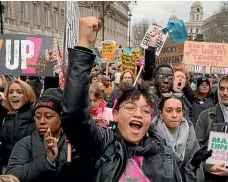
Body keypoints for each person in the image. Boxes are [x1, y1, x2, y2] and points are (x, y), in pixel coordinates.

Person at [60, 16, 210, 182]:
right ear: (115, 114)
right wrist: (84, 45)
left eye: (146, 110)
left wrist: (192, 166)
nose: (138, 114)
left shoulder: (163, 152)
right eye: (130, 108)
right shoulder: (102, 145)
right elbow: (74, 114)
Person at [5, 88, 84, 182]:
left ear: (61, 118)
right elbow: (12, 177)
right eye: (38, 117)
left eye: (49, 117)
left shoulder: (72, 143)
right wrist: (47, 160)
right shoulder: (26, 144)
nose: (42, 121)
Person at [195, 75, 228, 182]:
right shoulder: (205, 116)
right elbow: (197, 146)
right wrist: (208, 167)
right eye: (222, 88)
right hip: (210, 178)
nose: (224, 93)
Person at [153, 93, 208, 181]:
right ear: (161, 114)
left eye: (178, 111)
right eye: (169, 111)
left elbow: (199, 176)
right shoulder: (151, 138)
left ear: (183, 113)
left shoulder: (192, 139)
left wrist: (192, 165)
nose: (174, 115)